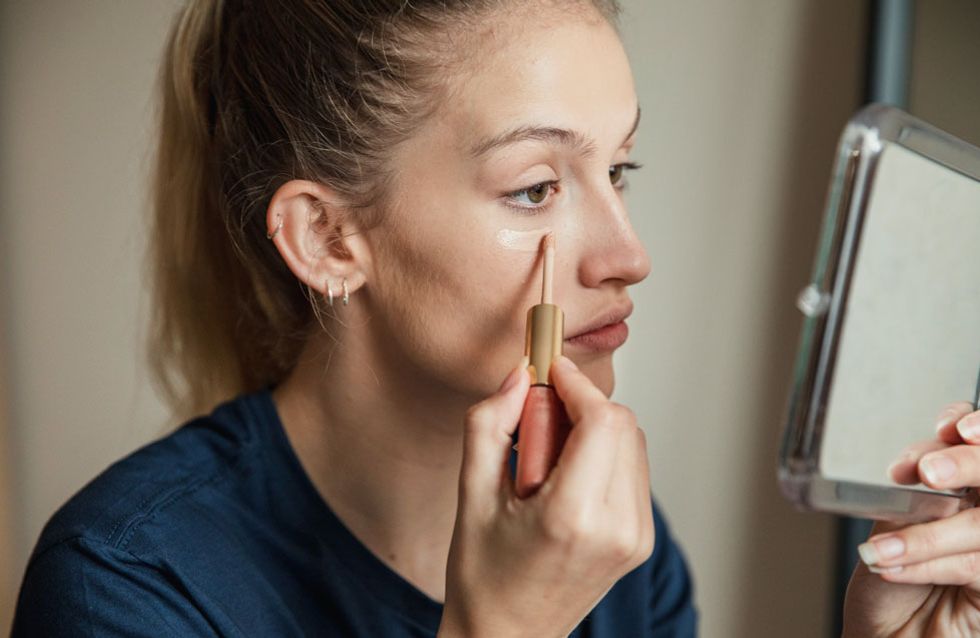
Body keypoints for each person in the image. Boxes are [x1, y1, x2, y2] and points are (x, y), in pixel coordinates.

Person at [9, 1, 980, 636]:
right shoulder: (126, 585)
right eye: (532, 187)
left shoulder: (611, 543)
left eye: (618, 170)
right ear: (327, 239)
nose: (627, 253)